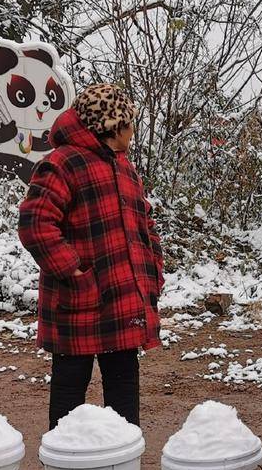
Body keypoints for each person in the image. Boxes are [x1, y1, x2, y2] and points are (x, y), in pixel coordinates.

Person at [18, 83, 164, 429]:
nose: (133, 129)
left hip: (122, 300)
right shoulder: (61, 164)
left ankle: (122, 461)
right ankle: (65, 465)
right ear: (112, 126)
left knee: (124, 387)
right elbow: (35, 224)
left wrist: (153, 265)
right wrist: (75, 271)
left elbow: (144, 220)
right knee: (69, 390)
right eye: (129, 122)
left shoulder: (124, 167)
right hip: (76, 303)